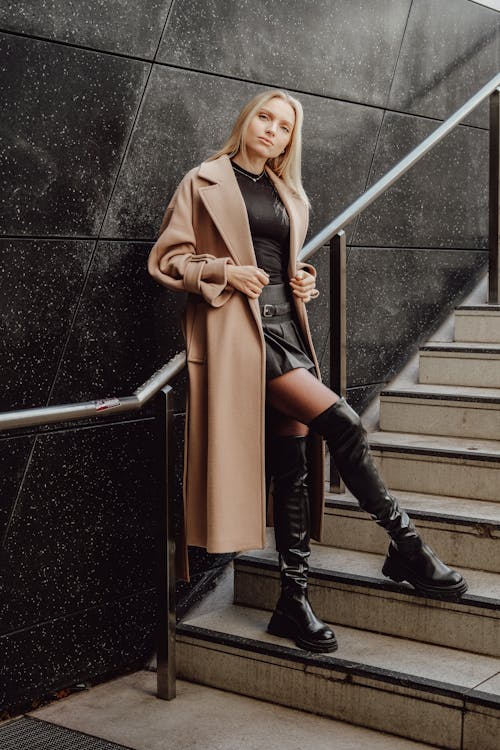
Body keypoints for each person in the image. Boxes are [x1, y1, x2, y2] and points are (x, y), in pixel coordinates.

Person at [148, 89, 467, 654]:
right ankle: (406, 545)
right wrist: (223, 272)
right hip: (240, 334)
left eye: (285, 126)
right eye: (265, 118)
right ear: (246, 120)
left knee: (293, 463)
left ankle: (292, 601)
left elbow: (279, 261)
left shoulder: (289, 194)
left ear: (292, 140)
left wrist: (302, 283)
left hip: (287, 329)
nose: (272, 130)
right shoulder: (203, 181)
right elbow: (168, 258)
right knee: (343, 422)